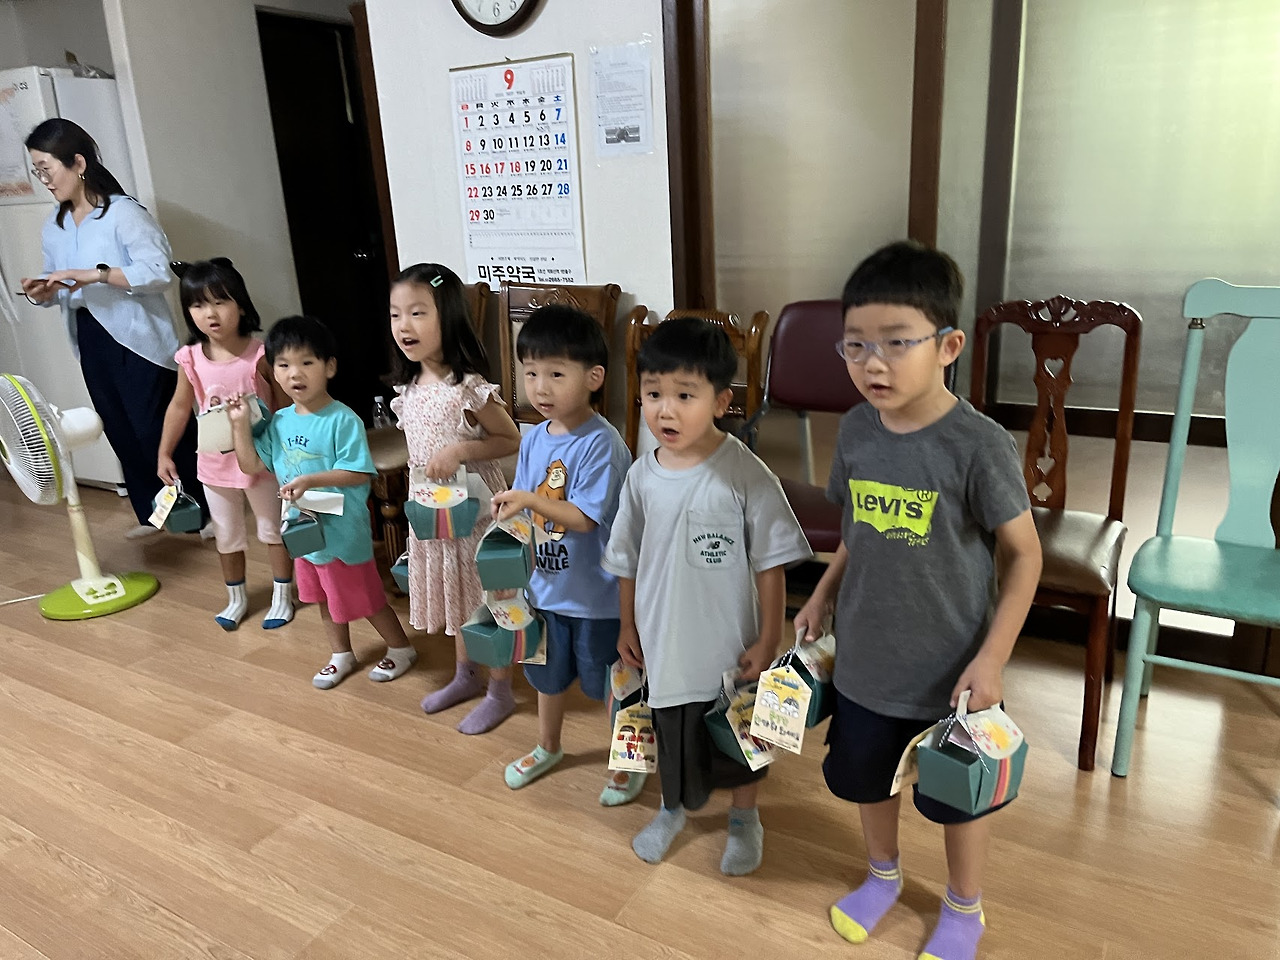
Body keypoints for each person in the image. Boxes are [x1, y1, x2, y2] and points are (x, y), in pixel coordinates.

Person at [792, 241, 1041, 960]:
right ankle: (883, 876)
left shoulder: (977, 446)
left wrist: (992, 661)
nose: (873, 363)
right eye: (856, 345)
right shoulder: (856, 429)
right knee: (869, 777)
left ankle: (965, 907)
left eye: (897, 342)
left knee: (958, 796)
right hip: (866, 659)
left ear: (947, 346)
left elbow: (1025, 556)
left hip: (953, 671)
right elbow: (858, 531)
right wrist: (822, 594)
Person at [602, 316, 812, 876]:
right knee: (671, 733)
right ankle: (672, 809)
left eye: (684, 395)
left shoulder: (746, 474)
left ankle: (745, 817)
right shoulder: (641, 478)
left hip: (729, 644)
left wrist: (769, 637)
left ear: (721, 401)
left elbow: (771, 562)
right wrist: (626, 625)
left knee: (739, 736)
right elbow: (624, 559)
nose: (665, 411)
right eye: (653, 394)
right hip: (664, 642)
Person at [19, 118, 203, 539]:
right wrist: (43, 291)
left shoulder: (124, 213)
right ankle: (152, 515)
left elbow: (158, 272)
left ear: (78, 163)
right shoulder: (55, 225)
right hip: (90, 334)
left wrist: (96, 274)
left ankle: (198, 511)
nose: (44, 181)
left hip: (138, 338)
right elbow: (59, 281)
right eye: (37, 171)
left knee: (156, 427)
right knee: (120, 428)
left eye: (47, 169)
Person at [489, 304, 641, 804]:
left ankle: (627, 760)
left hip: (597, 599)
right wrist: (508, 529)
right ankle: (548, 746)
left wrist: (529, 500)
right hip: (545, 592)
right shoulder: (533, 437)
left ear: (593, 377)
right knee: (546, 679)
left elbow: (584, 517)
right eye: (531, 373)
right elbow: (523, 506)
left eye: (556, 374)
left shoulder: (603, 444)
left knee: (612, 685)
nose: (541, 387)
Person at [227, 315, 415, 689]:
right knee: (322, 596)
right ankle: (340, 653)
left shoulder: (342, 419)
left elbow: (358, 473)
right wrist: (238, 425)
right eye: (284, 365)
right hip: (303, 531)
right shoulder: (279, 422)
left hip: (341, 532)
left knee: (365, 597)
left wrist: (311, 480)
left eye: (306, 362)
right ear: (273, 373)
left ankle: (401, 647)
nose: (295, 373)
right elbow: (251, 465)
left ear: (329, 367)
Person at [388, 263, 522, 734]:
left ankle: (500, 690)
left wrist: (461, 450)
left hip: (475, 512)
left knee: (488, 598)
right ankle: (465, 674)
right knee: (458, 595)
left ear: (447, 316)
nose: (404, 325)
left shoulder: (469, 388)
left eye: (417, 312)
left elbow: (510, 439)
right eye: (395, 314)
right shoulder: (407, 388)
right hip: (434, 511)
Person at [158, 258, 295, 631]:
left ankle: (283, 595)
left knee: (273, 529)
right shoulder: (189, 358)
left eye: (220, 301)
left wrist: (289, 454)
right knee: (226, 533)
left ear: (241, 305)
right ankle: (236, 598)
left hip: (262, 459)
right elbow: (180, 406)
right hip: (214, 463)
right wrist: (164, 452)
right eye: (198, 305)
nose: (210, 313)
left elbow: (284, 407)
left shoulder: (261, 354)